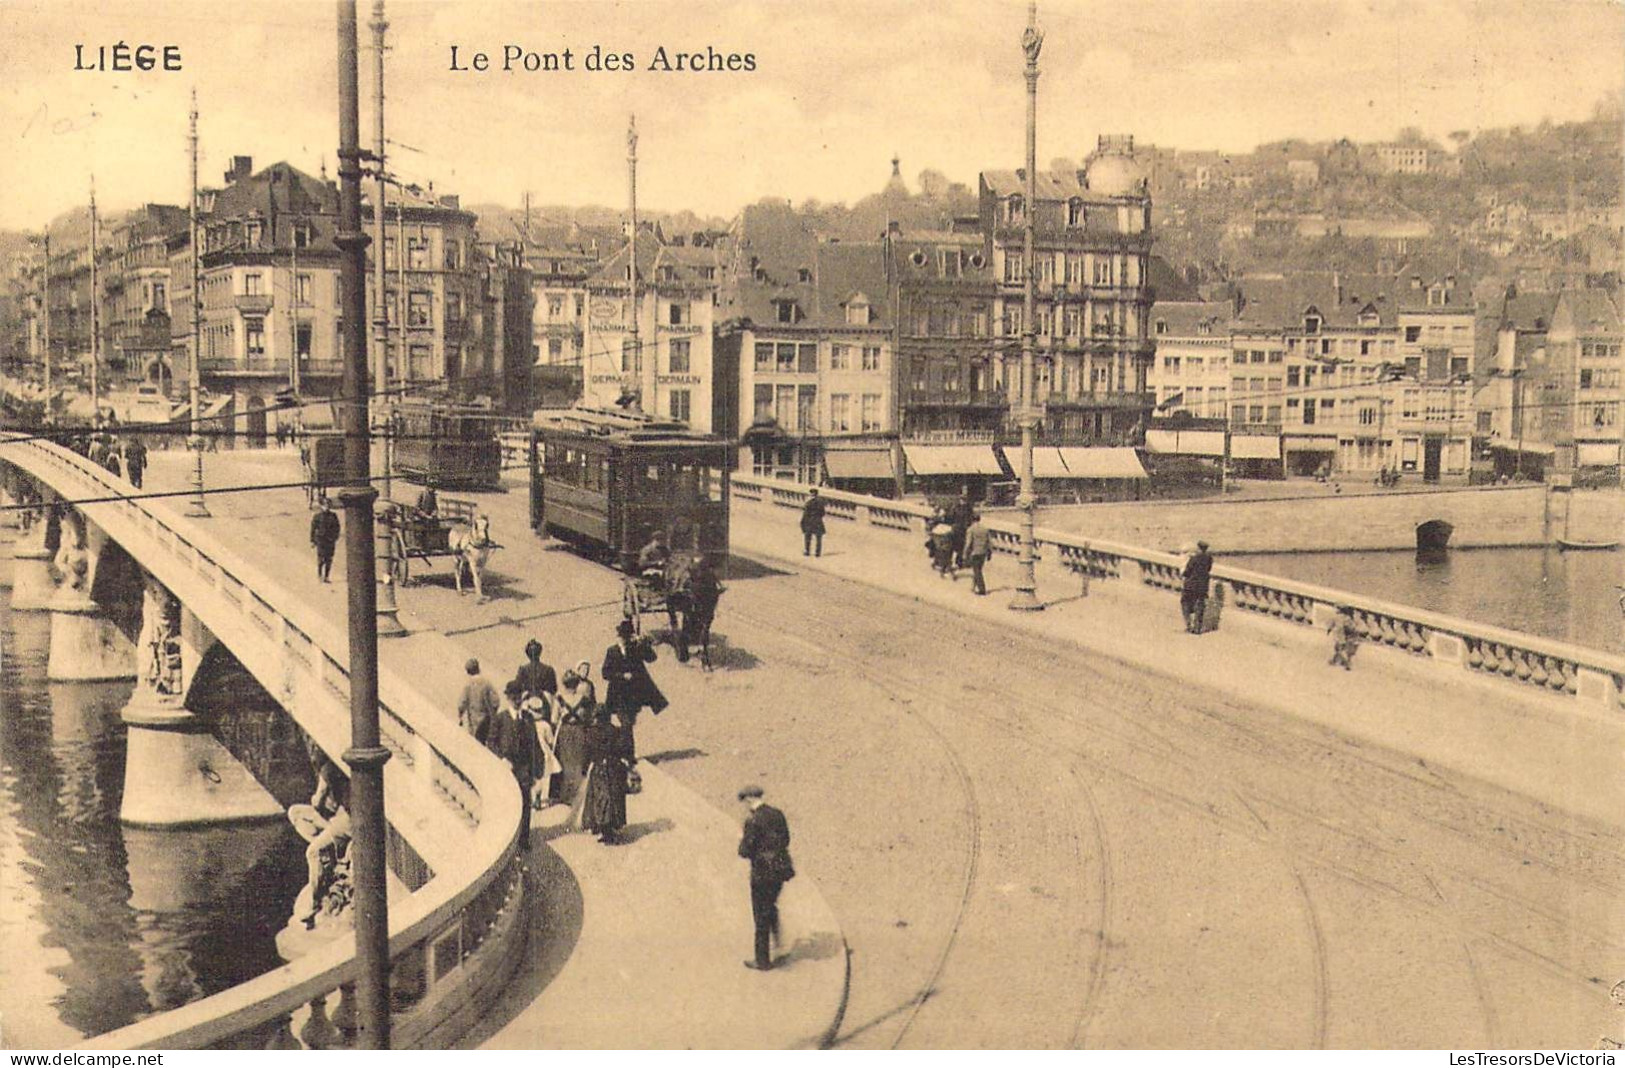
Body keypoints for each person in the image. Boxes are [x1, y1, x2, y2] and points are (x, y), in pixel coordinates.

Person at [737, 784, 794, 972]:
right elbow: (786, 839)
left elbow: (745, 851)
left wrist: (744, 844)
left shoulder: (753, 821)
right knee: (770, 906)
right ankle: (779, 943)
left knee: (760, 915)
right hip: (779, 869)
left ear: (749, 799)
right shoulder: (777, 814)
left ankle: (762, 961)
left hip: (761, 873)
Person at [481, 680, 544, 849]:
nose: (516, 700)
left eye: (518, 697)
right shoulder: (500, 719)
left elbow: (535, 745)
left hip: (524, 768)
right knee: (507, 804)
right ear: (508, 698)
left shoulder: (528, 719)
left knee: (525, 802)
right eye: (513, 697)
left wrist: (539, 773)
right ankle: (507, 840)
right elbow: (491, 743)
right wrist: (502, 759)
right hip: (506, 769)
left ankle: (523, 840)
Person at [603, 619, 668, 756]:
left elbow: (651, 658)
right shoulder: (612, 651)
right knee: (626, 724)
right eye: (622, 636)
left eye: (627, 636)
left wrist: (643, 643)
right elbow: (605, 673)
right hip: (617, 694)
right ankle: (627, 754)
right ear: (618, 636)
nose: (624, 639)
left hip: (633, 696)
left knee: (629, 724)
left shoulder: (636, 648)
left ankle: (627, 754)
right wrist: (621, 676)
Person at [581, 708, 633, 843]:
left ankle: (604, 830)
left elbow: (587, 753)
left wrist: (584, 768)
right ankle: (611, 829)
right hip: (614, 768)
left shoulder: (591, 733)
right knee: (614, 798)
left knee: (600, 800)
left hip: (598, 770)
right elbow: (623, 749)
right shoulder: (615, 731)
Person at [551, 661, 596, 806]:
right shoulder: (584, 700)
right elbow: (589, 717)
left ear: (564, 684)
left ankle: (564, 795)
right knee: (579, 761)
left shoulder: (559, 699)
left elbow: (553, 719)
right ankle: (577, 794)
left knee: (564, 762)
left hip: (564, 732)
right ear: (577, 684)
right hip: (579, 730)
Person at [677, 553, 723, 664]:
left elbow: (715, 579)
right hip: (694, 595)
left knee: (705, 626)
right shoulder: (693, 573)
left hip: (706, 596)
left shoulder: (710, 574)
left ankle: (704, 653)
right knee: (687, 621)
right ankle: (683, 648)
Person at [457, 657, 499, 739]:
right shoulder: (487, 683)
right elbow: (496, 701)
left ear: (468, 672)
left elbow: (462, 703)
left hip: (474, 721)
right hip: (486, 720)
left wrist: (460, 714)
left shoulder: (468, 685)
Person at [513, 638, 558, 706]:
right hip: (545, 699)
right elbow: (553, 689)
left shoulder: (523, 669)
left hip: (528, 700)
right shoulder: (548, 669)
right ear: (539, 652)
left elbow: (517, 687)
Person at [1181, 540, 1214, 634]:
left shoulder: (1194, 558)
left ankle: (1189, 625)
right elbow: (1208, 569)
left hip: (1191, 585)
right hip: (1203, 585)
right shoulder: (1209, 558)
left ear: (1198, 548)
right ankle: (1198, 627)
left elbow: (1187, 571)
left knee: (1185, 603)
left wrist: (1183, 574)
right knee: (1200, 605)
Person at [309, 497, 341, 583]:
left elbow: (337, 527)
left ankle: (326, 576)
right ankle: (320, 575)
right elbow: (313, 528)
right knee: (321, 559)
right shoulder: (317, 517)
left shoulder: (333, 516)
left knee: (329, 559)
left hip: (330, 540)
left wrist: (335, 537)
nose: (326, 507)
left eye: (328, 505)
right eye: (324, 505)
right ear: (321, 506)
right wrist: (312, 541)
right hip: (321, 540)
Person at [963, 512, 992, 596]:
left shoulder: (971, 529)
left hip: (974, 552)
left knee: (977, 571)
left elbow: (968, 543)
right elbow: (989, 542)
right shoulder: (985, 529)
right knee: (978, 569)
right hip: (983, 552)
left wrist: (965, 553)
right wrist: (989, 553)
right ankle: (973, 586)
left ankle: (982, 589)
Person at [949, 490, 975, 569]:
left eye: (964, 500)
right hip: (960, 529)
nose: (963, 501)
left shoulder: (960, 508)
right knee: (958, 546)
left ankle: (958, 561)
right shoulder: (966, 508)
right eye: (963, 500)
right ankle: (957, 561)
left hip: (960, 529)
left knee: (959, 547)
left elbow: (951, 517)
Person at [1328, 605, 1359, 670]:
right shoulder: (1347, 618)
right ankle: (1336, 661)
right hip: (1344, 636)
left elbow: (1331, 625)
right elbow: (1352, 627)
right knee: (1339, 649)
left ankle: (1346, 663)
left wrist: (1329, 630)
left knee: (1339, 649)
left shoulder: (1335, 617)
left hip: (1339, 636)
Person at [800, 488, 826, 557]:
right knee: (818, 538)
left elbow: (805, 514)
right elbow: (823, 513)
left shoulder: (808, 503)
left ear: (811, 494)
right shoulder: (821, 502)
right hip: (818, 521)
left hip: (809, 521)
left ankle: (807, 551)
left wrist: (802, 522)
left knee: (808, 536)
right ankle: (818, 553)